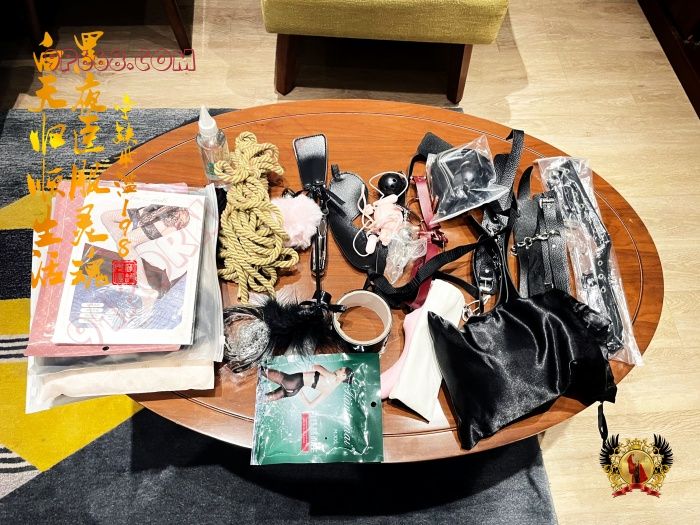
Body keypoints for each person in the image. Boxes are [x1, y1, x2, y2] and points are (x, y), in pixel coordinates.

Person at [261, 364, 354, 407]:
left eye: (341, 369)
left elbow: (316, 367)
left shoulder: (332, 376)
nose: (338, 369)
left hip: (293, 381)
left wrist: (323, 370)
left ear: (343, 376)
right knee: (262, 399)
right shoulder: (330, 389)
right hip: (294, 390)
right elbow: (310, 405)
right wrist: (301, 393)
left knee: (261, 370)